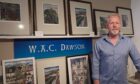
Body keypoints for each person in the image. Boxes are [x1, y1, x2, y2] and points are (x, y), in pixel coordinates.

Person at [92, 13, 140, 84]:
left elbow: (138, 60)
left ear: (120, 26)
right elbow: (95, 64)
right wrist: (96, 82)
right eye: (112, 23)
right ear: (107, 26)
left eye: (117, 23)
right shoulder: (99, 43)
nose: (114, 25)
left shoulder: (128, 42)